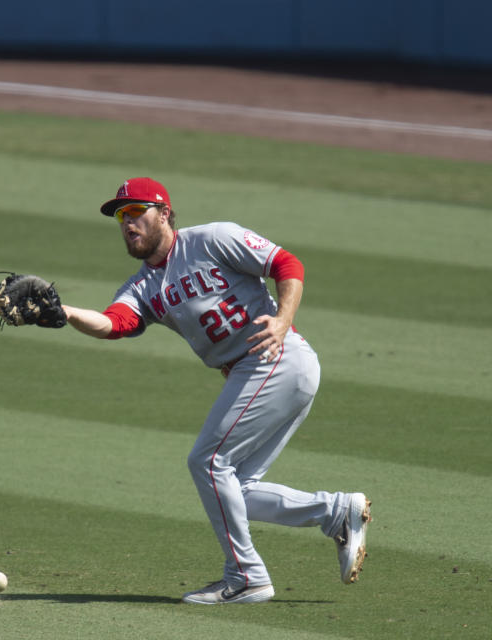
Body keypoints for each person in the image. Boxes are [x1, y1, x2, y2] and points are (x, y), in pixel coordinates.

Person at [54, 177, 371, 604]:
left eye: (136, 213)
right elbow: (115, 324)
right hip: (261, 372)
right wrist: (62, 311)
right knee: (233, 488)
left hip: (276, 358)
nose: (128, 224)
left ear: (163, 213)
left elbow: (287, 264)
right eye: (121, 216)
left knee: (207, 462)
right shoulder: (143, 286)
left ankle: (246, 577)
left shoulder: (214, 239)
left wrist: (281, 319)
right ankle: (336, 512)